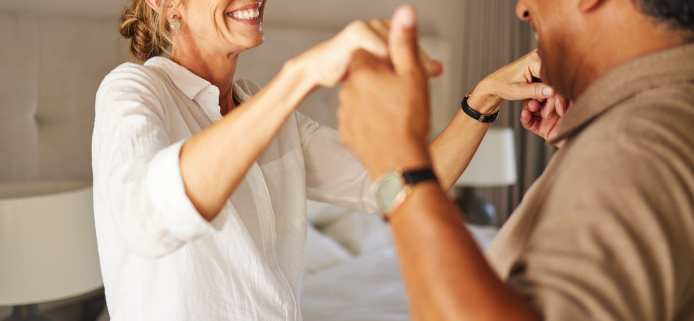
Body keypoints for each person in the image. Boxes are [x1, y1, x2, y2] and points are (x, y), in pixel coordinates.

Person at [90, 0, 557, 319]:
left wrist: (486, 96)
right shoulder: (132, 91)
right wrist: (300, 75)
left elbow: (392, 184)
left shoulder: (271, 117)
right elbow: (144, 217)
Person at [338, 1, 694, 320]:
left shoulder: (629, 144)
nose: (522, 8)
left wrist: (398, 155)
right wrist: (581, 154)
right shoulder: (658, 120)